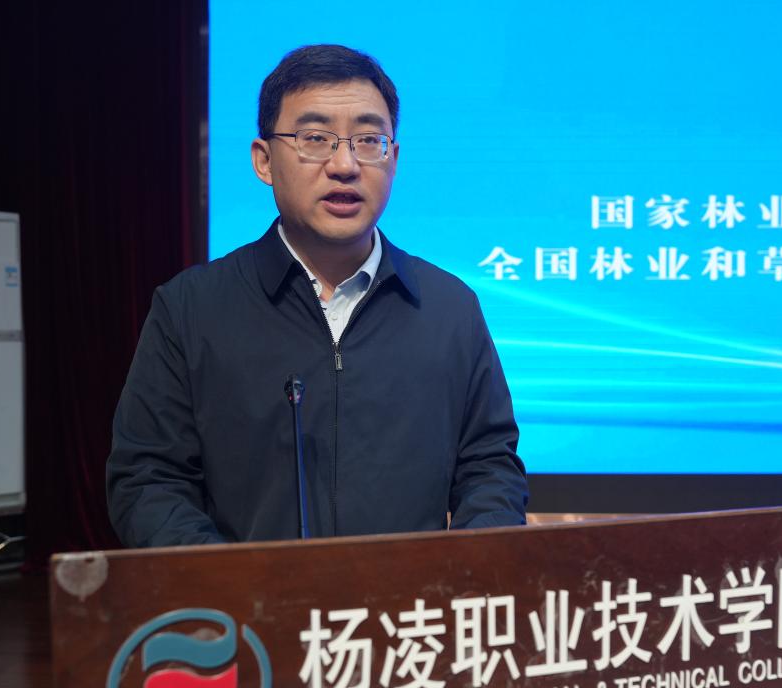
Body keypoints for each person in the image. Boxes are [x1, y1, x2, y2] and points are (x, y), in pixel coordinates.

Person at [106, 44, 527, 547]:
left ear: (393, 159)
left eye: (368, 140)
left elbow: (490, 469)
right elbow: (149, 482)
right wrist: (233, 583)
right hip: (246, 597)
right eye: (315, 139)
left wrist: (460, 571)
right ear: (264, 160)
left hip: (412, 597)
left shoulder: (449, 308)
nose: (345, 164)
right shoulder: (191, 308)